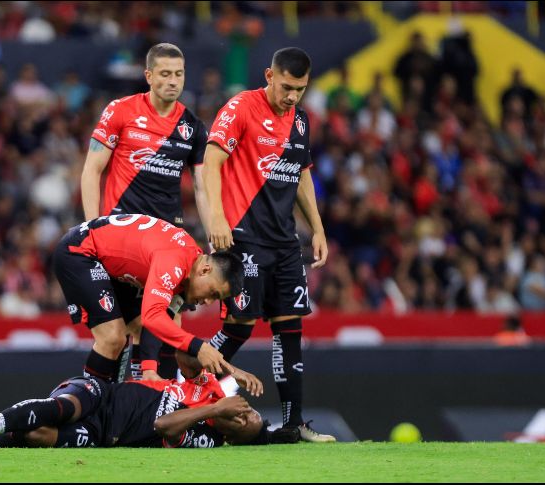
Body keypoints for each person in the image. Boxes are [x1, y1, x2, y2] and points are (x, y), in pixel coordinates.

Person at [202, 47, 335, 443]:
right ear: (269, 76)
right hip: (244, 237)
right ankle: (181, 377)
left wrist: (318, 229)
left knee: (289, 330)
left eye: (301, 89)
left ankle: (295, 426)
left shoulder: (300, 120)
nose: (293, 96)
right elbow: (211, 162)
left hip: (284, 243)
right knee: (239, 328)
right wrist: (217, 219)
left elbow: (302, 176)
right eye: (287, 87)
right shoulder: (241, 107)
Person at [80, 43, 211, 380]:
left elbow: (201, 187)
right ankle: (108, 402)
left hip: (166, 241)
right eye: (165, 74)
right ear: (149, 76)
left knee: (168, 322)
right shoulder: (120, 111)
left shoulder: (193, 126)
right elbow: (92, 169)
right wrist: (92, 225)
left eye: (179, 74)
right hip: (122, 238)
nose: (173, 81)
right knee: (120, 331)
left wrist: (214, 236)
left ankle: (154, 408)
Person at [0, 350, 275, 448]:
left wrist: (212, 410)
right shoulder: (208, 387)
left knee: (43, 437)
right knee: (62, 409)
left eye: (246, 424)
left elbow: (161, 425)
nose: (244, 414)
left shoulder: (206, 438)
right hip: (106, 394)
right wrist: (228, 369)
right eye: (250, 412)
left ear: (232, 438)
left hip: (105, 435)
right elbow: (185, 355)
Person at [54, 213, 248, 384]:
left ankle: (136, 389)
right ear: (206, 270)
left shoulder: (189, 265)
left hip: (105, 258)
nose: (207, 302)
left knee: (139, 325)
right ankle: (87, 404)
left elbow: (156, 319)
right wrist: (198, 347)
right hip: (80, 251)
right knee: (112, 337)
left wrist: (149, 370)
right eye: (213, 293)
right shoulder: (175, 262)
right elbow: (153, 316)